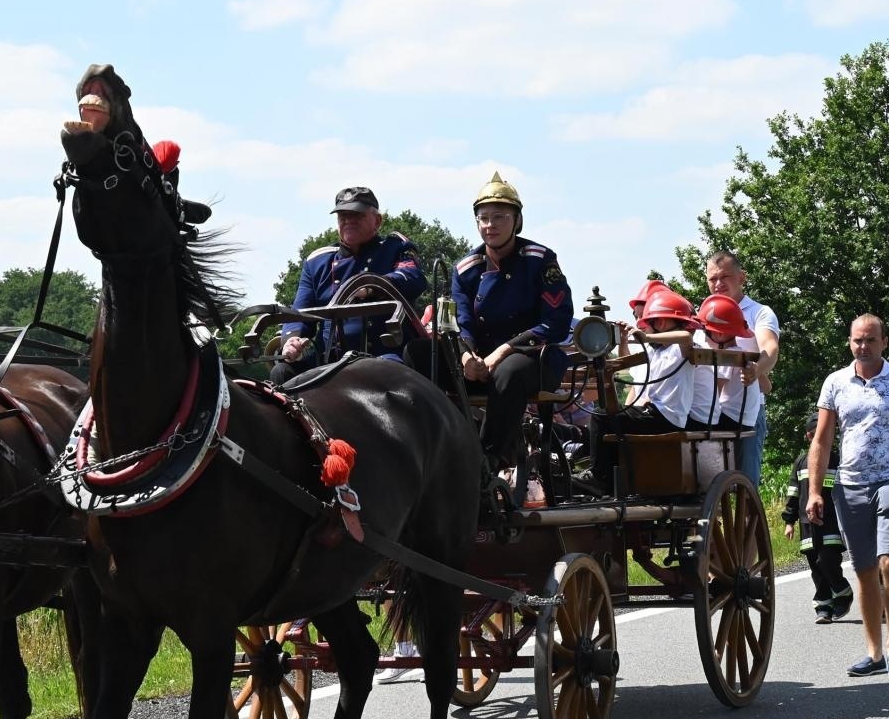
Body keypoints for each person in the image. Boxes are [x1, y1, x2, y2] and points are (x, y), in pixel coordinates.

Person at [409, 172, 573, 500]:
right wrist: (466, 356)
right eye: (483, 218)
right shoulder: (465, 269)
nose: (490, 225)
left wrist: (502, 352)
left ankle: (485, 462)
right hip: (481, 363)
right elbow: (459, 323)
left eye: (499, 217)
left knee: (507, 372)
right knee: (416, 354)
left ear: (517, 221)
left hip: (533, 360)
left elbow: (557, 322)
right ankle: (433, 448)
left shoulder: (540, 260)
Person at [809, 314, 889, 680]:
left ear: (884, 342)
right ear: (849, 342)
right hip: (850, 484)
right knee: (864, 570)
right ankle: (874, 652)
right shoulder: (835, 382)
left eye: (870, 340)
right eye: (857, 340)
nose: (863, 346)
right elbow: (822, 440)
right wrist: (815, 491)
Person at [274, 186, 426, 385]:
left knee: (386, 376)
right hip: (328, 361)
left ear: (377, 221)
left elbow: (412, 278)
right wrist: (292, 341)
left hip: (383, 356)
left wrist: (370, 286)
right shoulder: (317, 263)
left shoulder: (394, 248)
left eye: (356, 215)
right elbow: (299, 312)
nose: (348, 220)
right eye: (343, 216)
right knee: (282, 373)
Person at [589, 284, 698, 490]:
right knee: (609, 417)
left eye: (649, 322)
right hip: (654, 414)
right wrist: (623, 340)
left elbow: (686, 337)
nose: (644, 326)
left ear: (661, 322)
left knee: (601, 416)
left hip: (666, 418)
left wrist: (647, 337)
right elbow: (627, 365)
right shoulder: (655, 351)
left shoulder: (680, 349)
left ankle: (599, 478)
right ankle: (611, 478)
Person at [705, 250, 780, 487]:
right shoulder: (704, 313)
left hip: (746, 411)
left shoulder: (759, 312)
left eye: (725, 277)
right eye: (712, 279)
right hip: (708, 410)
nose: (718, 284)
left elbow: (770, 348)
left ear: (742, 277)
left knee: (745, 484)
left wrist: (757, 370)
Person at [784, 411, 852, 623]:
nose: (821, 437)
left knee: (827, 560)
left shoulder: (838, 460)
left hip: (831, 522)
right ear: (808, 436)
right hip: (808, 525)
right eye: (816, 433)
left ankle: (843, 592)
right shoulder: (801, 462)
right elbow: (794, 493)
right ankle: (823, 606)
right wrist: (789, 521)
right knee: (815, 566)